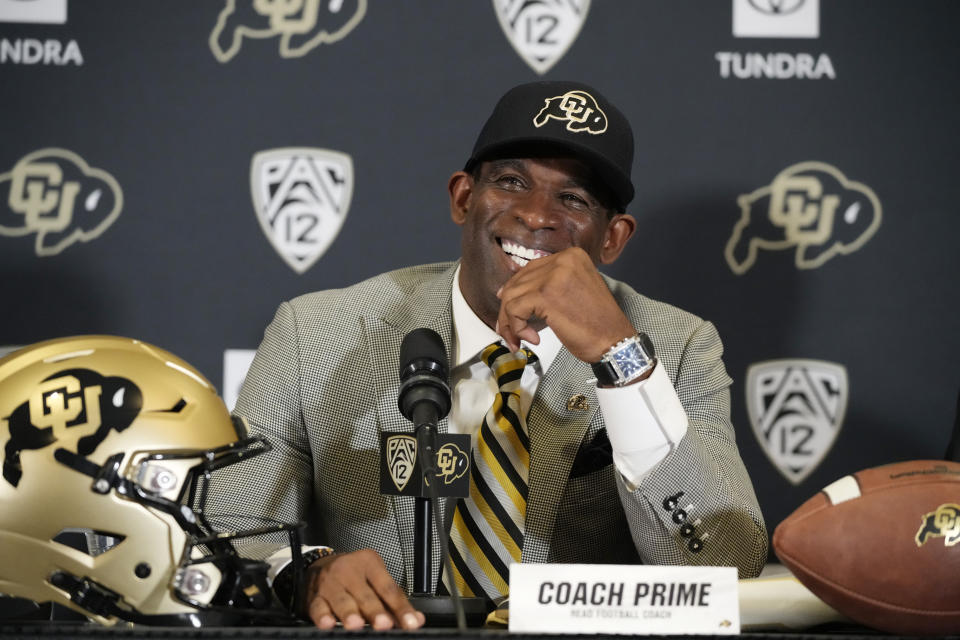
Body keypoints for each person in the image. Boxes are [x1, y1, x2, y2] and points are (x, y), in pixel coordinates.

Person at [211, 81, 767, 631]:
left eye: (573, 199)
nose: (536, 215)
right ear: (463, 197)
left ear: (612, 238)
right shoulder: (317, 331)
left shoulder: (676, 345)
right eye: (511, 181)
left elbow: (726, 563)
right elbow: (223, 528)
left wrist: (618, 359)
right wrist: (303, 572)